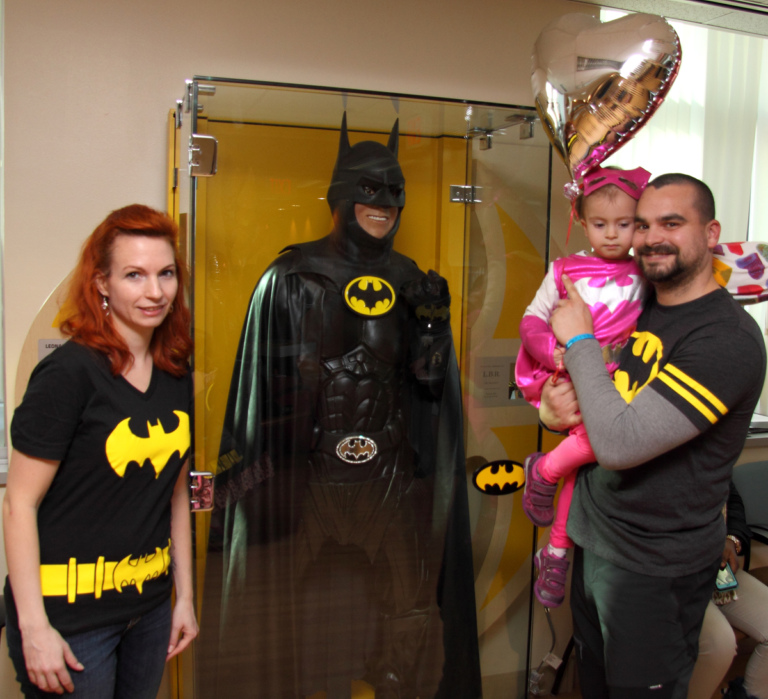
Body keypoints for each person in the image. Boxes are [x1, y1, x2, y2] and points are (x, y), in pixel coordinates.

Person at [197, 115, 481, 698]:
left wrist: (431, 330)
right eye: (369, 190)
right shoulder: (291, 276)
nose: (384, 205)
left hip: (389, 477)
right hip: (311, 480)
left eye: (394, 193)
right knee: (283, 618)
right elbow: (265, 399)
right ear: (340, 194)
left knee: (411, 618)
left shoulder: (410, 281)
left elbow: (429, 393)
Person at [541, 173, 766, 698]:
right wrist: (556, 410)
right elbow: (595, 405)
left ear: (710, 233)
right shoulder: (640, 308)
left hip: (654, 569)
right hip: (597, 543)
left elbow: (620, 445)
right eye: (642, 224)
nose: (650, 237)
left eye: (672, 223)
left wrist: (577, 339)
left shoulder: (725, 339)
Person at [3, 205, 198, 697]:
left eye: (166, 274)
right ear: (102, 284)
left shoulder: (176, 371)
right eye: (135, 275)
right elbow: (18, 503)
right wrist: (34, 629)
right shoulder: (69, 374)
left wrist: (184, 597)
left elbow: (174, 492)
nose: (155, 292)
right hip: (72, 618)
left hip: (149, 609)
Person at [515, 166, 649, 607]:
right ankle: (548, 480)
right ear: (581, 219)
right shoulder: (564, 270)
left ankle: (555, 547)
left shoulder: (645, 272)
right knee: (594, 444)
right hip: (574, 373)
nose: (612, 235)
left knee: (588, 459)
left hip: (622, 379)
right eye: (600, 224)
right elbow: (531, 319)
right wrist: (553, 352)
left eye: (624, 224)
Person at [688, 481, 768, 699]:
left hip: (718, 572)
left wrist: (731, 539)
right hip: (676, 578)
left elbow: (732, 503)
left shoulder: (713, 453)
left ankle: (746, 696)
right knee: (719, 645)